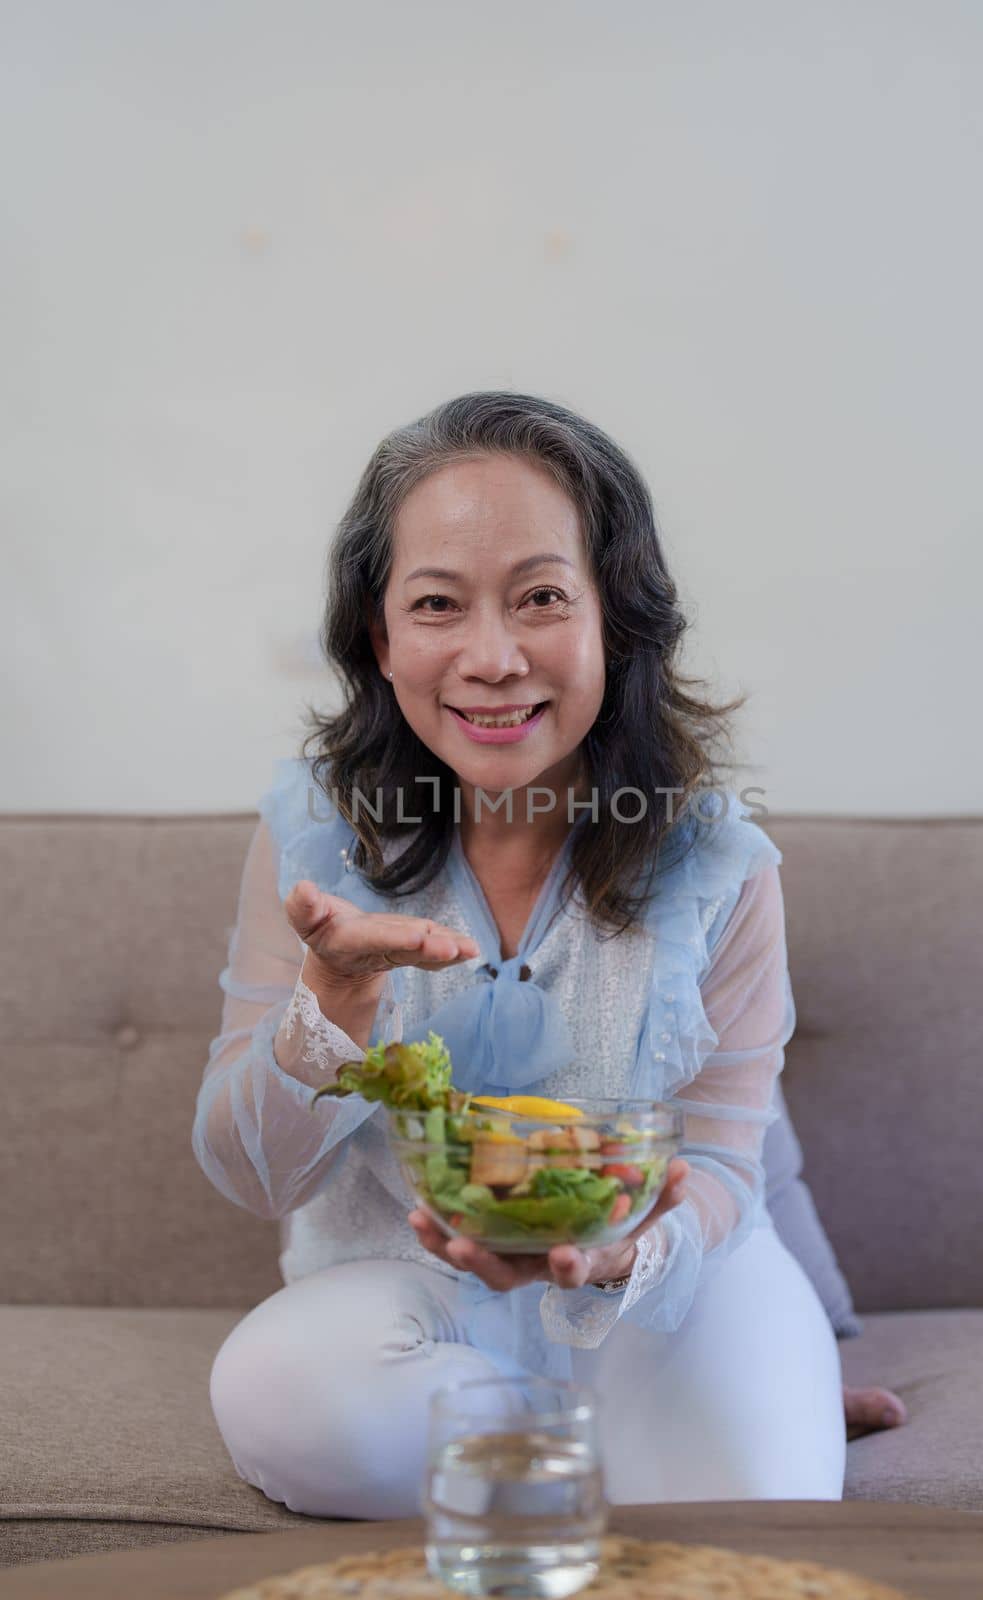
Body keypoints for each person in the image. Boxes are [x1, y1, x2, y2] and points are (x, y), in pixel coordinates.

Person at [194, 391, 906, 1518]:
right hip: (406, 1300)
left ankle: (727, 1405)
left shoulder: (718, 861)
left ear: (613, 621)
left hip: (657, 1291)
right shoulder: (315, 841)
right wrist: (331, 1002)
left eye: (539, 598)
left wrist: (632, 1262)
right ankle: (643, 1437)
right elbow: (253, 1175)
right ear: (379, 638)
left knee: (755, 1499)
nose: (491, 657)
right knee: (275, 1392)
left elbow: (721, 1162)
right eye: (436, 604)